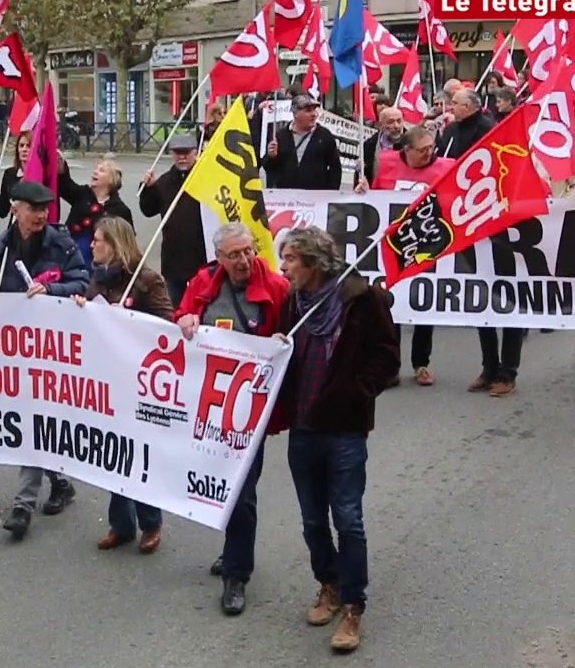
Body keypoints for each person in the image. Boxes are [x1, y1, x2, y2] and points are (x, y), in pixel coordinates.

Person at [275, 226, 399, 653]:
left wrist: (357, 392)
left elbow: (386, 356)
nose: (284, 266)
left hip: (344, 430)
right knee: (312, 519)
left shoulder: (359, 299)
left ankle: (352, 607)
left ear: (313, 261)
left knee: (348, 518)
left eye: (290, 259)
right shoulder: (296, 301)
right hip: (304, 427)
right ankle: (327, 584)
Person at [175, 222, 290, 615]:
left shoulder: (275, 288)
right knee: (220, 486)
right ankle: (233, 550)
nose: (244, 260)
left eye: (248, 251)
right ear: (219, 257)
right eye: (235, 254)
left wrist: (282, 343)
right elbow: (184, 312)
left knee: (242, 492)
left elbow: (295, 333)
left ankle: (237, 574)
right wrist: (186, 318)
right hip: (208, 409)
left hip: (249, 415)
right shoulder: (204, 281)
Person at [0, 181, 89, 539]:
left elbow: (81, 281)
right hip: (16, 350)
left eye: (46, 207)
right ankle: (60, 480)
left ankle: (22, 505)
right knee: (31, 420)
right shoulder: (1, 247)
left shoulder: (60, 243)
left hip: (52, 349)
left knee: (37, 419)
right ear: (16, 209)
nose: (42, 214)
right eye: (34, 208)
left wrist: (52, 291)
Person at [71, 216, 174, 554]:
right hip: (109, 380)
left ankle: (150, 522)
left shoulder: (146, 280)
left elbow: (167, 328)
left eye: (98, 239)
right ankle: (121, 523)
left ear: (114, 243)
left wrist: (129, 319)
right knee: (114, 452)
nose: (92, 244)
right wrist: (85, 309)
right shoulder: (98, 279)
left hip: (139, 382)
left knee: (139, 453)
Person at [138, 133, 206, 308]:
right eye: (177, 153)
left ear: (195, 153)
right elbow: (148, 210)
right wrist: (148, 189)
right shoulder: (164, 182)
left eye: (186, 152)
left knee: (201, 306)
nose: (182, 157)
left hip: (202, 257)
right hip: (173, 259)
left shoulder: (206, 178)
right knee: (173, 307)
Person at [261, 95, 342, 190]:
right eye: (308, 110)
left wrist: (329, 194)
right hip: (287, 199)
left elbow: (335, 169)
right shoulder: (280, 136)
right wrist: (271, 157)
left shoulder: (324, 136)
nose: (314, 114)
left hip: (316, 199)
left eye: (314, 110)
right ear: (296, 113)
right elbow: (269, 168)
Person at [62, 159, 133, 265]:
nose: (95, 172)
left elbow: (127, 243)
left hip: (99, 262)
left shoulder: (120, 209)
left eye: (101, 170)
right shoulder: (82, 194)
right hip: (71, 254)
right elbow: (65, 185)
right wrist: (61, 167)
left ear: (111, 179)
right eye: (95, 169)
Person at [357, 107, 406, 189]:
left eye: (399, 121)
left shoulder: (412, 143)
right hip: (376, 195)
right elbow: (362, 174)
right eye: (391, 122)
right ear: (380, 125)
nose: (396, 126)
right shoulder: (369, 145)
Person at [0, 131, 32, 219]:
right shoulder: (10, 174)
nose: (24, 149)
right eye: (21, 145)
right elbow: (3, 211)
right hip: (15, 228)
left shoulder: (42, 174)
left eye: (29, 146)